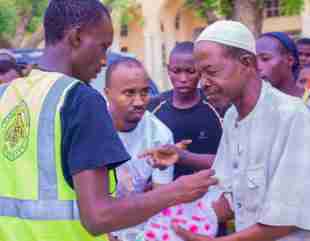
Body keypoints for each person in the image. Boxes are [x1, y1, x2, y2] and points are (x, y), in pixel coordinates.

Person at [0, 1, 218, 241]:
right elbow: (99, 217)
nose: (104, 60)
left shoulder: (6, 96)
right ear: (76, 37)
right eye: (102, 46)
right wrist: (178, 191)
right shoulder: (79, 100)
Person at [172, 20, 310, 241]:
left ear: (246, 62)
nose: (204, 83)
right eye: (201, 75)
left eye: (211, 71)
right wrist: (173, 220)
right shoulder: (231, 117)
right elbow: (229, 197)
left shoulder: (293, 116)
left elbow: (287, 217)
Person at [104, 57, 175, 240]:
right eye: (129, 93)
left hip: (137, 231)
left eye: (144, 92)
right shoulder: (90, 129)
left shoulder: (160, 135)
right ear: (107, 93)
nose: (139, 102)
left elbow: (160, 200)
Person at [148, 41, 223, 180]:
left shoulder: (217, 106)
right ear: (168, 70)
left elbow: (230, 160)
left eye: (190, 71)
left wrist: (183, 157)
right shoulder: (153, 108)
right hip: (166, 194)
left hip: (211, 191)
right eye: (176, 71)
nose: (183, 79)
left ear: (200, 70)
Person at [256, 32, 304, 97]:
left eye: (265, 59)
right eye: (254, 60)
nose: (257, 66)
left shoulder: (307, 102)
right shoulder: (255, 103)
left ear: (290, 60)